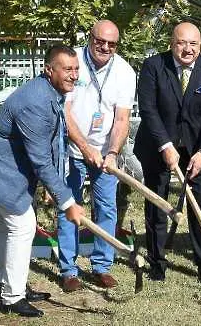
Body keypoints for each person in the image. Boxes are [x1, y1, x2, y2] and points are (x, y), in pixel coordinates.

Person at [0, 45, 85, 317]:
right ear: (49, 70)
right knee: (22, 225)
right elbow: (40, 158)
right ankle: (11, 297)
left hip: (7, 166)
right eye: (67, 69)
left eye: (76, 69)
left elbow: (50, 143)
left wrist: (53, 189)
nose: (74, 75)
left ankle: (8, 283)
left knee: (2, 225)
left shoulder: (51, 92)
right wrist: (67, 200)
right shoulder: (36, 102)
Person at [134, 22, 201, 285]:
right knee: (157, 202)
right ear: (171, 43)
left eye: (193, 44)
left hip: (196, 148)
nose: (187, 49)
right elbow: (148, 109)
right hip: (158, 144)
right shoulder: (153, 67)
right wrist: (165, 145)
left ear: (200, 45)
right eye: (181, 43)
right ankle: (157, 261)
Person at [57, 20, 137, 292]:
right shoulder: (73, 62)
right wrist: (84, 148)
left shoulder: (125, 72)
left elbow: (122, 119)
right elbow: (64, 112)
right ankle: (69, 270)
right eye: (99, 41)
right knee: (70, 207)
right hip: (71, 147)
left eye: (111, 44)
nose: (104, 47)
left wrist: (112, 153)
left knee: (106, 206)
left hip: (104, 153)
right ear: (90, 38)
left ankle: (102, 266)